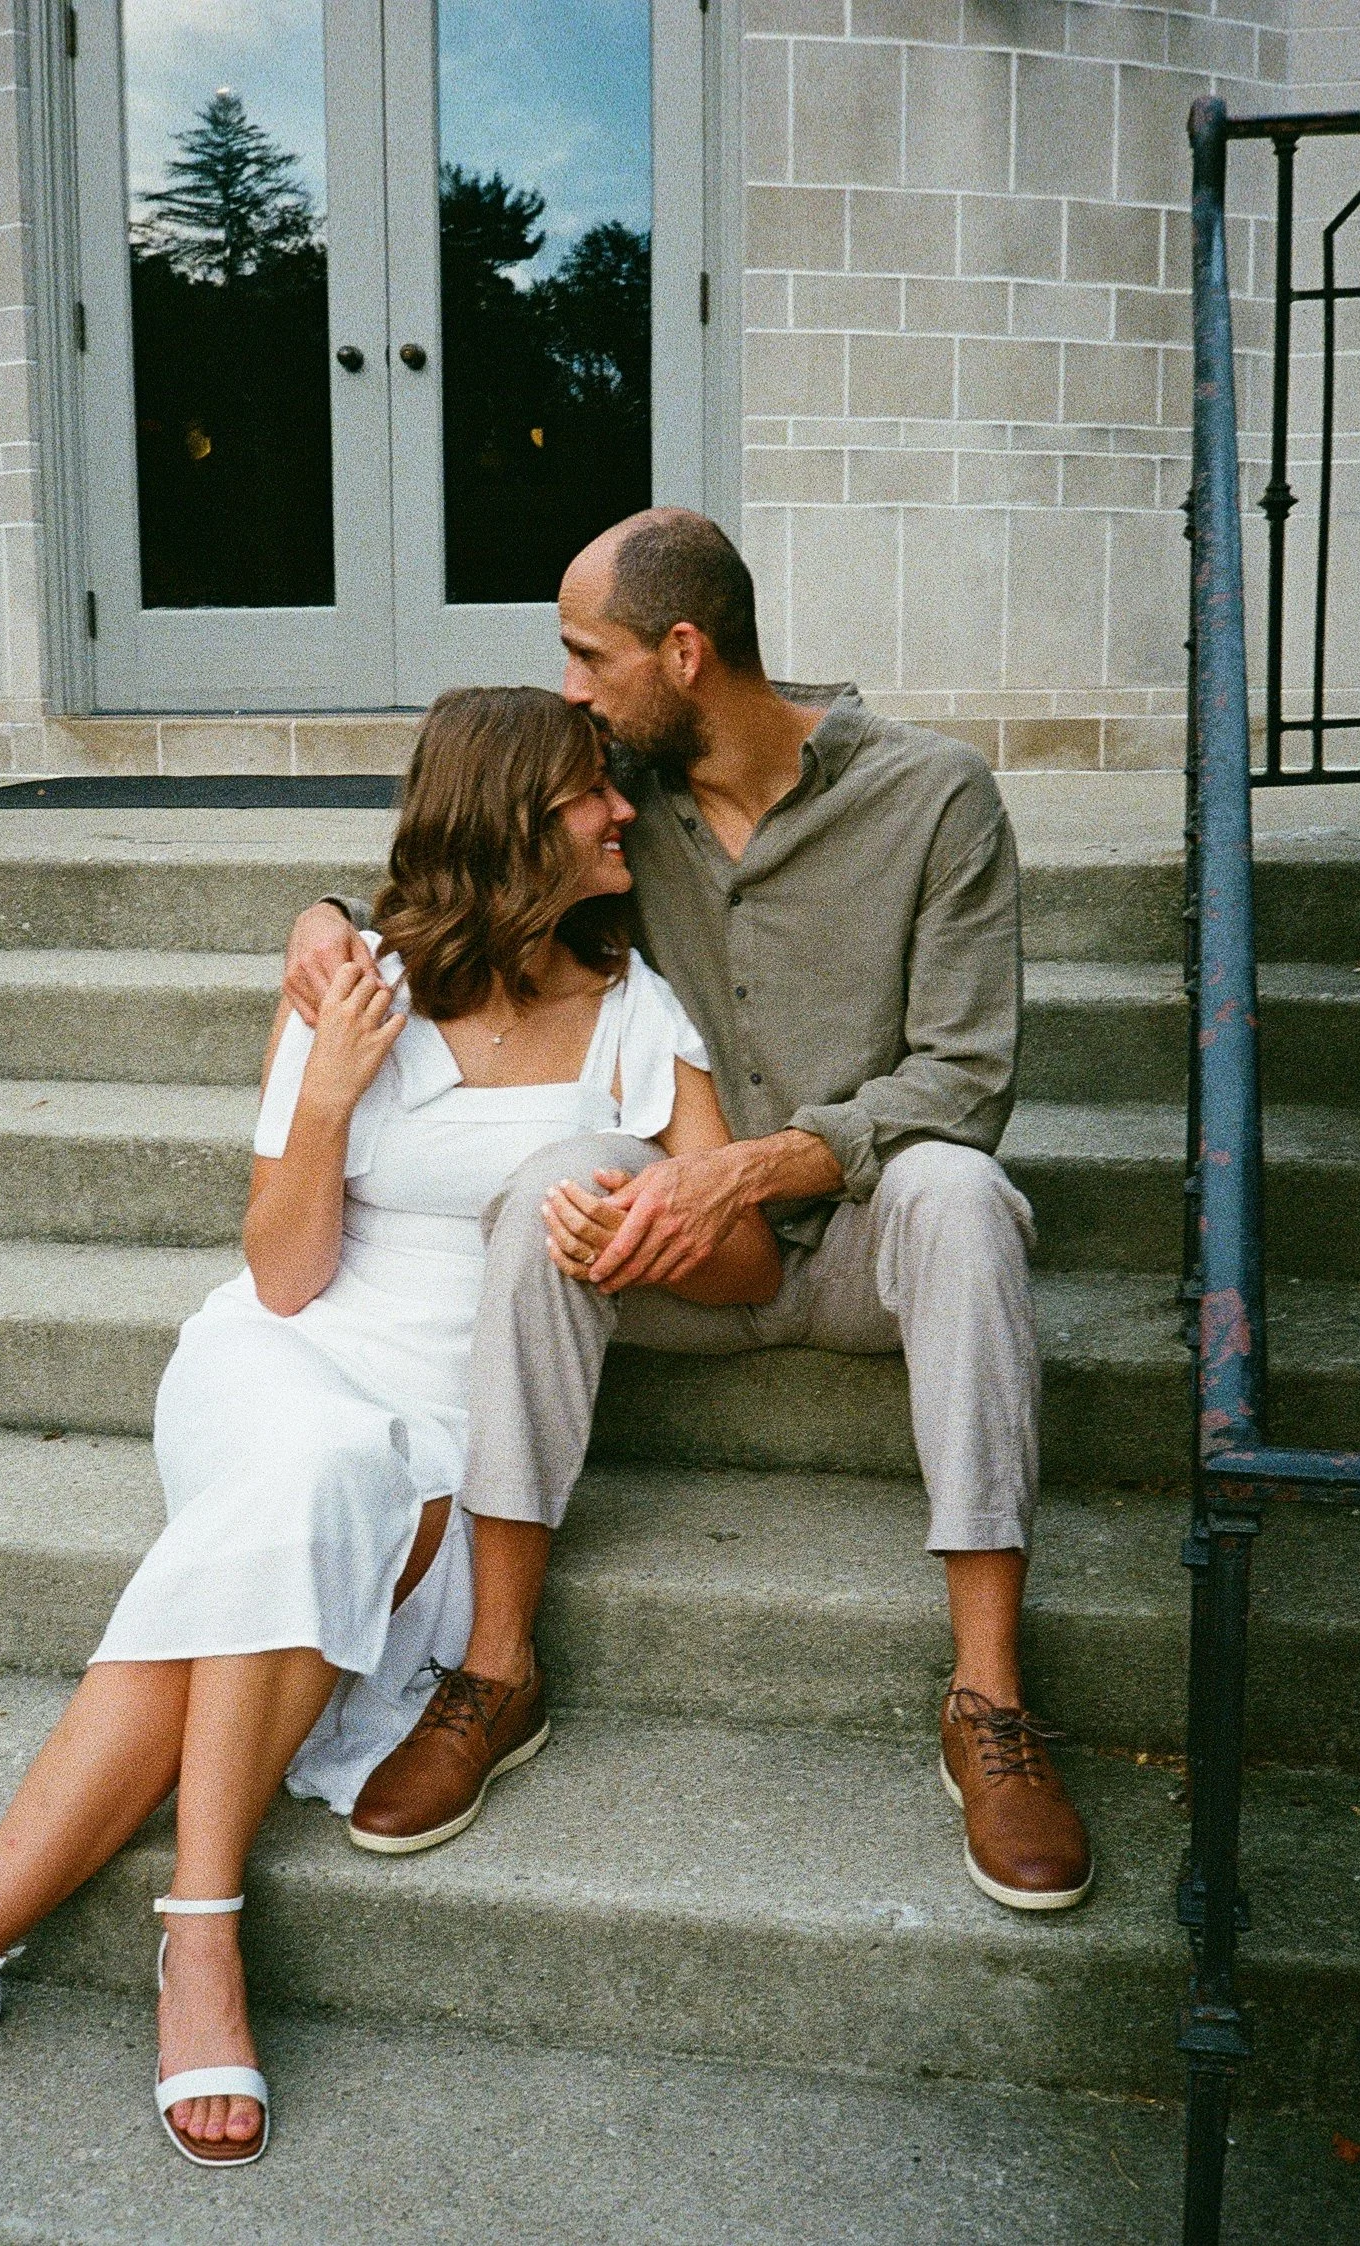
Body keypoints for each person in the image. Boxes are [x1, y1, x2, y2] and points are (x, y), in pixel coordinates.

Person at [0, 685, 780, 2163]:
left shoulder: (638, 1014)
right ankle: (193, 1939)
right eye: (593, 792)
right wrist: (325, 1089)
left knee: (318, 1497)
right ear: (515, 816)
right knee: (307, 1465)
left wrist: (641, 1223)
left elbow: (750, 1259)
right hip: (277, 1358)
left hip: (461, 1425)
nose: (622, 811)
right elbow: (284, 1270)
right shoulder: (355, 984)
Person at [284, 508, 1093, 1914]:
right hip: (672, 1257)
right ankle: (495, 1669)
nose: (571, 689)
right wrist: (322, 912)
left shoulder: (935, 796)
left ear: (682, 649)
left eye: (586, 654)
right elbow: (460, 862)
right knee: (549, 1183)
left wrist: (756, 1165)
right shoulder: (614, 804)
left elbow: (964, 1080)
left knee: (961, 1192)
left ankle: (990, 1703)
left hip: (852, 1236)